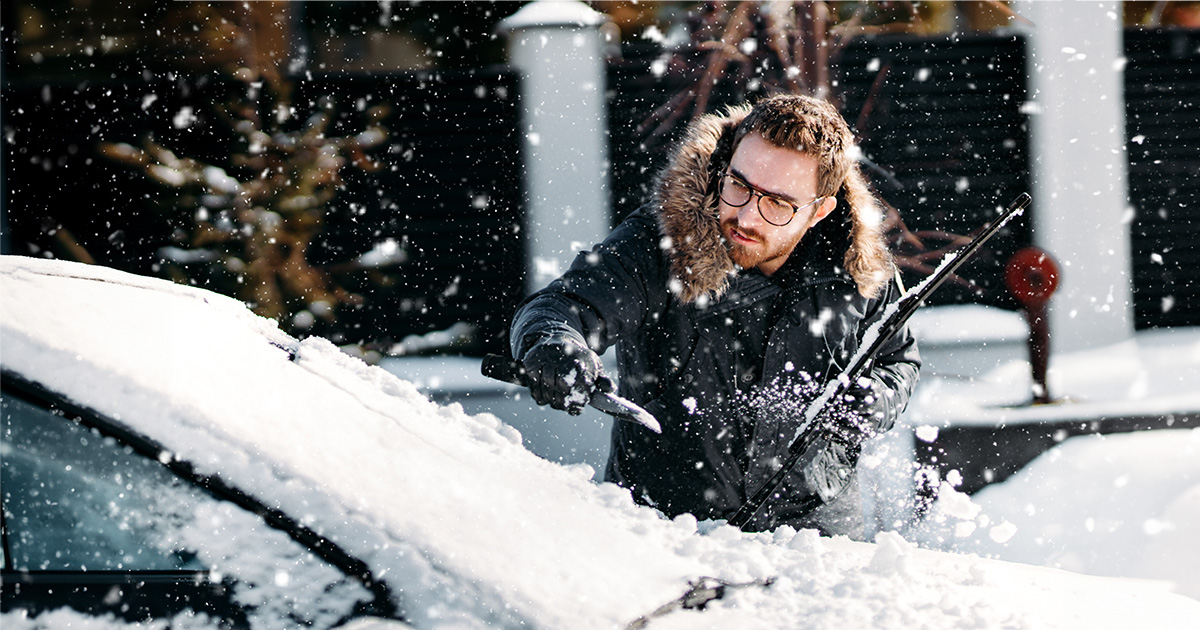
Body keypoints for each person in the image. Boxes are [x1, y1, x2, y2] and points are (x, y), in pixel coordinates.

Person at [509, 94, 920, 537]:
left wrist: (871, 400)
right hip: (671, 541)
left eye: (778, 204)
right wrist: (554, 344)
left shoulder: (857, 269)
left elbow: (898, 361)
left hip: (819, 547)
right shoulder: (662, 240)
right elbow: (566, 307)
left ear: (819, 212)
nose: (745, 215)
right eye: (738, 185)